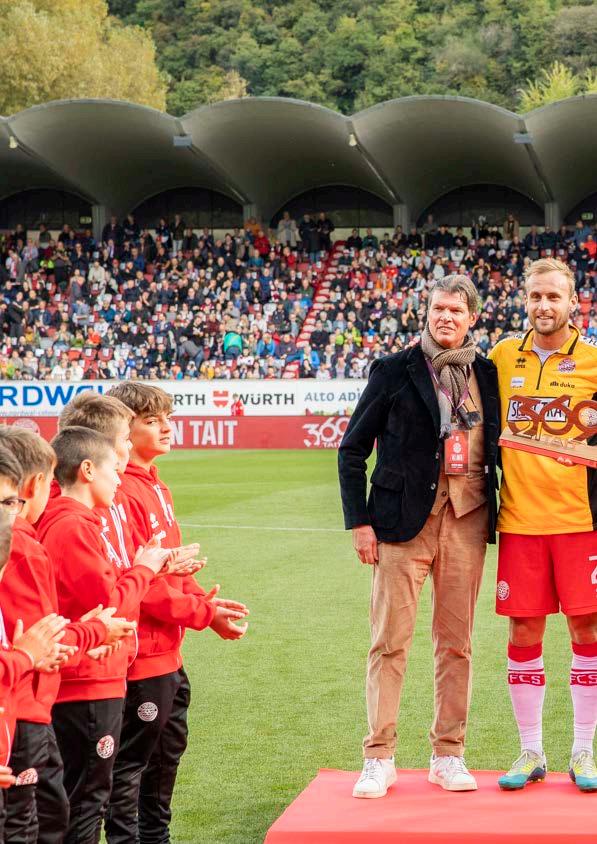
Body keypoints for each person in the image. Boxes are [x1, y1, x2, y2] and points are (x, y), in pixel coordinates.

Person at [338, 274, 499, 797]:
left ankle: (448, 754)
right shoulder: (393, 369)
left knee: (457, 646)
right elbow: (352, 450)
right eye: (438, 309)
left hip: (467, 519)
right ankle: (378, 756)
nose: (446, 317)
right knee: (389, 643)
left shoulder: (487, 373)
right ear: (426, 314)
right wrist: (360, 522)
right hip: (401, 524)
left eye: (456, 310)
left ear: (472, 317)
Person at [104, 382, 249, 844]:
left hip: (166, 653)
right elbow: (137, 581)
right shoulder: (121, 490)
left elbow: (172, 568)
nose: (167, 427)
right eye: (152, 420)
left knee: (165, 757)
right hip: (140, 655)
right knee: (132, 766)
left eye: (168, 417)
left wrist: (205, 604)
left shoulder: (154, 484)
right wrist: (202, 614)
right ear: (122, 429)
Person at [0, 426, 142, 844]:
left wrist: (82, 637)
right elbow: (36, 640)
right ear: (35, 483)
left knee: (57, 812)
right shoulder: (25, 540)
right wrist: (93, 632)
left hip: (34, 700)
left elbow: (43, 637)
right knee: (51, 818)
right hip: (28, 705)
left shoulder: (33, 534)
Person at [489, 257, 597, 792]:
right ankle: (531, 750)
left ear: (573, 301)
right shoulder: (501, 355)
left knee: (587, 632)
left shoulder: (594, 360)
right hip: (520, 521)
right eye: (535, 296)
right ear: (525, 300)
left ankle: (583, 751)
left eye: (554, 296)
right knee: (523, 632)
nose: (544, 305)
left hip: (581, 521)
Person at [37, 426, 175, 844]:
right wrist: (144, 569)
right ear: (87, 470)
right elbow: (110, 602)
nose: (120, 477)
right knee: (85, 801)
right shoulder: (72, 526)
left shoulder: (79, 522)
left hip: (93, 674)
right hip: (86, 679)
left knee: (85, 798)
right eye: (115, 467)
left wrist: (149, 570)